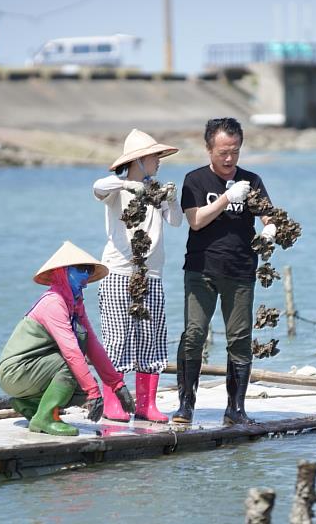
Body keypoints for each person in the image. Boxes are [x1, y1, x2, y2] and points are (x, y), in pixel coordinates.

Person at [173, 117, 277, 425]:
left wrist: (270, 231)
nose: (229, 158)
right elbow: (196, 220)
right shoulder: (194, 180)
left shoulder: (252, 180)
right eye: (223, 152)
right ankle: (186, 405)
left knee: (240, 339)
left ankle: (236, 409)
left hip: (241, 270)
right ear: (209, 150)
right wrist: (227, 197)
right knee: (194, 334)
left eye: (235, 151)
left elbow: (270, 216)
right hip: (201, 270)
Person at [0, 241, 136, 436]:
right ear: (63, 271)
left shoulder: (75, 304)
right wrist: (94, 393)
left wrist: (117, 385)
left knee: (81, 387)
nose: (86, 276)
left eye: (89, 270)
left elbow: (93, 346)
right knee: (73, 370)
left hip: (33, 371)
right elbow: (71, 351)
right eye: (81, 269)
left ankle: (29, 405)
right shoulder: (53, 302)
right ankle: (45, 419)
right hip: (16, 371)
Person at [92, 129, 181, 423]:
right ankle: (113, 403)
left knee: (151, 338)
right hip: (119, 271)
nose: (159, 161)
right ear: (140, 160)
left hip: (152, 274)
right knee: (118, 339)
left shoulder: (155, 190)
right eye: (155, 156)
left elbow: (176, 221)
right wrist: (131, 186)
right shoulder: (116, 189)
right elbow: (98, 186)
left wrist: (171, 198)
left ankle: (146, 405)